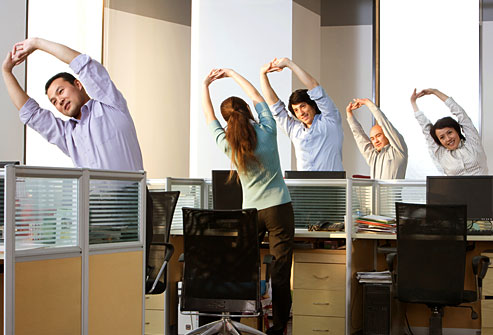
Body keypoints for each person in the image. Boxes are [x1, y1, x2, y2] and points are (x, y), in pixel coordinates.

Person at [1, 37, 153, 264]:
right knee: (91, 281)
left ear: (78, 85)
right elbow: (31, 114)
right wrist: (6, 72)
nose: (59, 101)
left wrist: (37, 44)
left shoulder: (110, 104)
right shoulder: (68, 135)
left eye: (61, 91)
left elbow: (82, 63)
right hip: (96, 214)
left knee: (128, 278)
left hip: (132, 206)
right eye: (53, 101)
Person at [203, 68, 294, 335]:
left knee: (243, 268)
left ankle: (238, 320)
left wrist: (205, 86)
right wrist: (232, 74)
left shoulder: (227, 144)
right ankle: (278, 328)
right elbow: (256, 94)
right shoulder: (268, 128)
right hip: (279, 208)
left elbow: (208, 117)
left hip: (250, 213)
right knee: (279, 273)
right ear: (247, 110)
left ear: (226, 120)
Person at [260, 57, 343, 171]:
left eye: (303, 106)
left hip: (331, 185)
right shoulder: (294, 130)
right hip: (304, 187)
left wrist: (288, 64)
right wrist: (262, 74)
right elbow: (275, 107)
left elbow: (315, 87)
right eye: (296, 110)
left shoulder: (330, 120)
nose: (301, 113)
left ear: (313, 105)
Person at [410, 88, 488, 175]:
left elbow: (461, 114)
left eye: (450, 132)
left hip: (484, 188)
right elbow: (425, 127)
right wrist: (413, 102)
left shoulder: (473, 143)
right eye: (442, 137)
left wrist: (435, 92)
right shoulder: (441, 153)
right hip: (456, 189)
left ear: (457, 131)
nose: (448, 139)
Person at [346, 98, 408, 179]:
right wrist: (349, 114)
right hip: (375, 192)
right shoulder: (373, 156)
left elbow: (384, 123)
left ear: (386, 135)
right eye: (372, 138)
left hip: (391, 192)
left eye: (378, 136)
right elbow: (359, 136)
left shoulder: (398, 151)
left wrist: (368, 103)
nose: (376, 141)